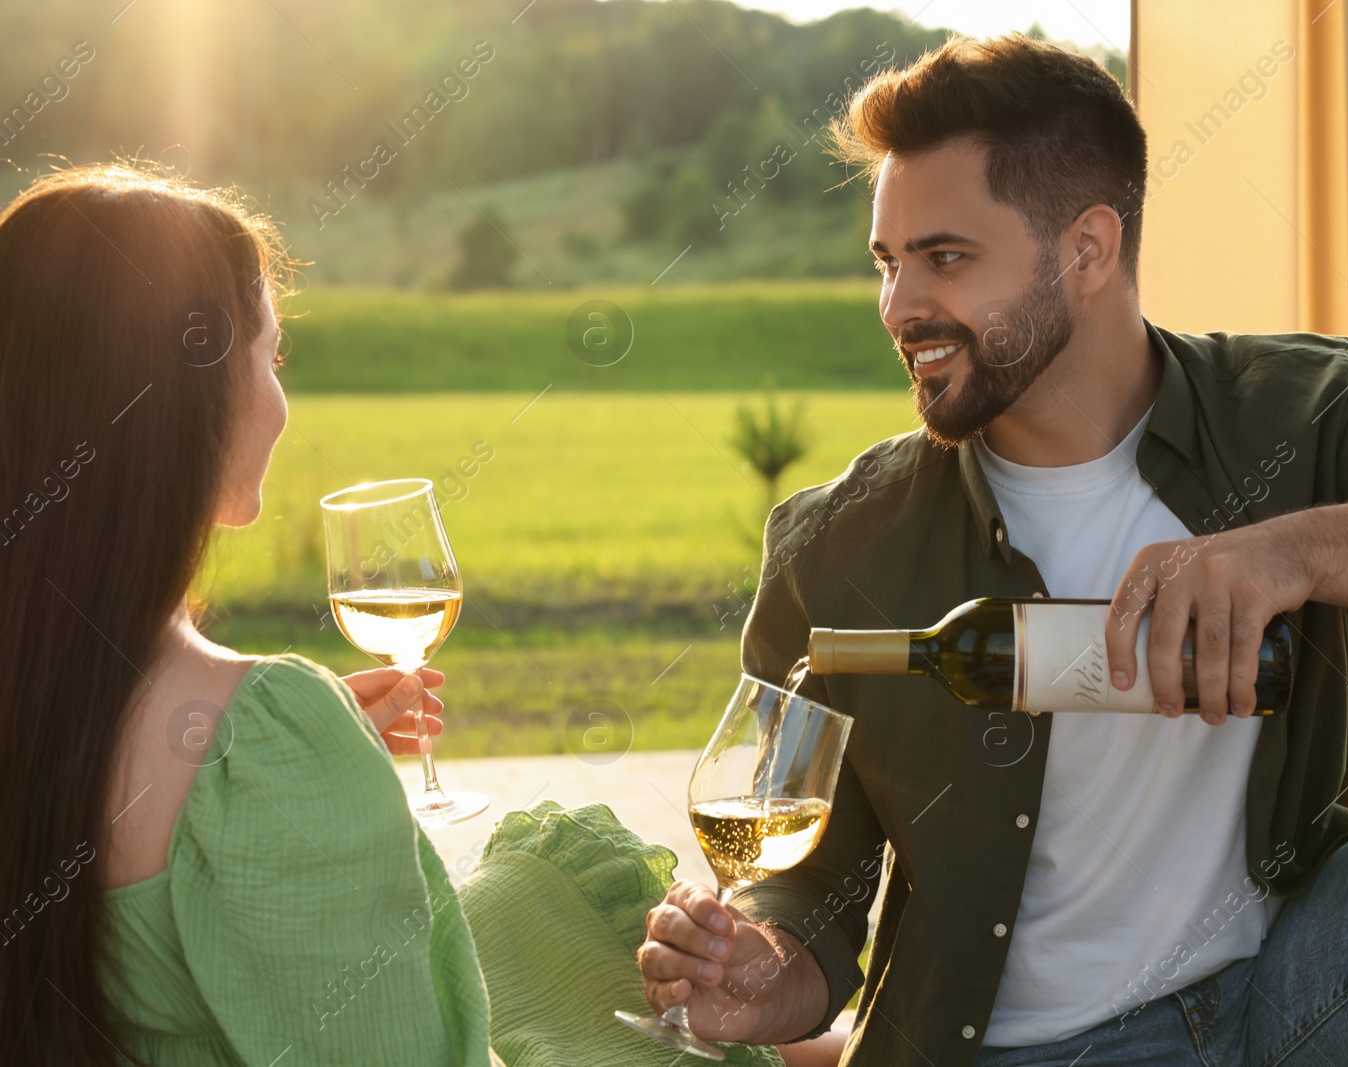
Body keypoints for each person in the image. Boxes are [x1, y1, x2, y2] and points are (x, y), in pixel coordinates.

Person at [636, 31, 1348, 1067]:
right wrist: (765, 961)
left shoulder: (1292, 416)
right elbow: (811, 880)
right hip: (1018, 1047)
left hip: (1297, 988)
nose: (901, 304)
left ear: (1088, 249)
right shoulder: (839, 544)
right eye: (888, 261)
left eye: (945, 257)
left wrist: (1297, 552)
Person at [0, 162, 826, 1067]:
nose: (280, 400)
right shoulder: (266, 742)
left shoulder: (54, 689)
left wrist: (284, 755)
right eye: (270, 357)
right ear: (189, 398)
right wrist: (287, 753)